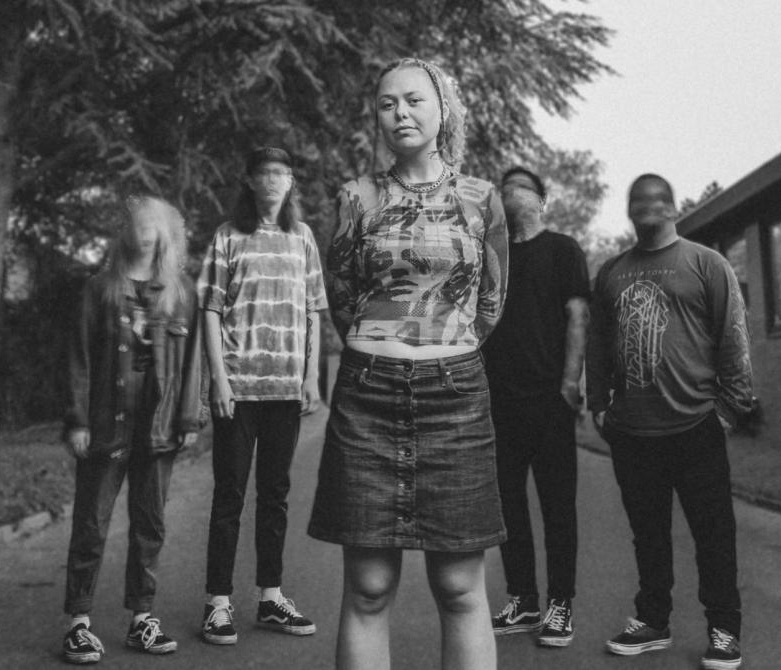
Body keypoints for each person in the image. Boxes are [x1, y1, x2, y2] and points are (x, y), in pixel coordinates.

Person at [307, 58, 509, 670]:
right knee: (368, 588)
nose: (400, 113)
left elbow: (491, 303)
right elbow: (342, 297)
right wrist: (385, 343)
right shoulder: (356, 197)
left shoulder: (482, 199)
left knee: (460, 588)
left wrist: (439, 347)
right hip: (367, 398)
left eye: (414, 100)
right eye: (388, 103)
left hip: (457, 399)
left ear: (443, 109)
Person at [587, 174, 753, 670]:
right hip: (633, 431)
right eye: (638, 200)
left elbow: (733, 336)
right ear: (629, 209)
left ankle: (724, 630)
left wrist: (728, 410)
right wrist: (599, 404)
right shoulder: (612, 272)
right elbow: (598, 344)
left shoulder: (706, 263)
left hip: (696, 425)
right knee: (648, 534)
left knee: (713, 535)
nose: (648, 207)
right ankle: (653, 620)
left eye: (658, 199)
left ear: (673, 207)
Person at [61, 194, 203, 664]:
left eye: (152, 223)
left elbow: (192, 362)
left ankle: (142, 619)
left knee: (150, 525)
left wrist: (189, 419)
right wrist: (78, 420)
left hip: (158, 430)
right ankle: (78, 624)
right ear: (123, 231)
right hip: (107, 427)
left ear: (165, 233)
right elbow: (79, 357)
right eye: (136, 222)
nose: (144, 230)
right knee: (91, 523)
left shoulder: (181, 292)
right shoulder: (100, 289)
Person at [198, 146, 328, 645]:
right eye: (264, 173)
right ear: (250, 182)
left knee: (275, 495)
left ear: (290, 182)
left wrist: (311, 378)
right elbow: (211, 309)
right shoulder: (228, 236)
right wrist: (218, 379)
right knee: (229, 495)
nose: (272, 180)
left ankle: (271, 597)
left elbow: (313, 310)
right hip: (239, 386)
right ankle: (217, 603)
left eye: (281, 173)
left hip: (285, 390)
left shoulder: (302, 237)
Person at [482, 166, 590, 647]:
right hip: (501, 404)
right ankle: (523, 599)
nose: (508, 192)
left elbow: (578, 316)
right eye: (503, 188)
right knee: (508, 507)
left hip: (549, 400)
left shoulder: (563, 250)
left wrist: (570, 383)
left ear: (541, 199)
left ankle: (560, 603)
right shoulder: (493, 256)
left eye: (519, 187)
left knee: (557, 506)